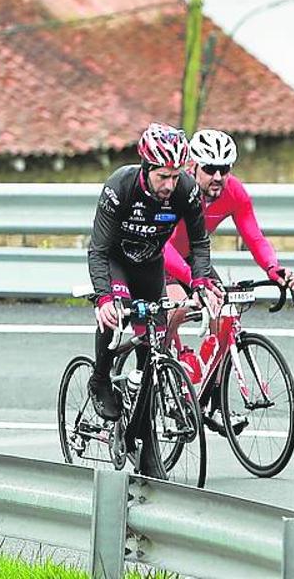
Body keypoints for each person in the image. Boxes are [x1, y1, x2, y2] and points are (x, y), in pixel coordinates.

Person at [86, 122, 217, 480]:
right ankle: (99, 378)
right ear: (146, 168)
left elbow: (200, 243)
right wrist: (104, 299)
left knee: (154, 348)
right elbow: (97, 250)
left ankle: (145, 444)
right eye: (163, 177)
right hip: (116, 262)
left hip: (150, 265)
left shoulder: (186, 191)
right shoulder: (120, 187)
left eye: (175, 176)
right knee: (117, 318)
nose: (169, 185)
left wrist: (202, 280)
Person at [162, 129, 294, 392]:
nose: (218, 177)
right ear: (193, 166)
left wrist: (273, 267)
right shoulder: (177, 190)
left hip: (194, 259)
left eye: (224, 169)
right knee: (177, 308)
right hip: (162, 257)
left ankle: (212, 396)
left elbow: (255, 237)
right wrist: (194, 281)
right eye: (210, 168)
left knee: (224, 314)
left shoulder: (234, 192)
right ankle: (165, 369)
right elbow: (164, 246)